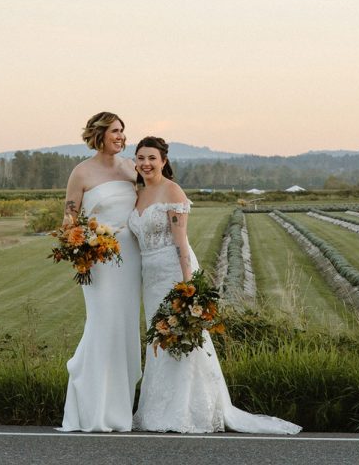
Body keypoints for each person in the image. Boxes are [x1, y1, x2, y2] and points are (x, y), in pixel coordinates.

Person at [129, 136, 301, 434]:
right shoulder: (139, 193)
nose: (145, 163)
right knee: (158, 339)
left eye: (151, 158)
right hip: (150, 276)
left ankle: (186, 410)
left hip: (174, 271)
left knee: (183, 336)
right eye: (140, 157)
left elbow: (181, 243)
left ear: (164, 161)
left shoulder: (172, 191)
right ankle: (156, 409)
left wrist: (188, 288)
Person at [58, 112, 142, 432]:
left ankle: (119, 412)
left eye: (123, 130)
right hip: (98, 261)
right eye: (115, 131)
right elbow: (69, 218)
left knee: (124, 329)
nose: (121, 136)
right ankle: (91, 407)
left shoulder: (131, 168)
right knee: (102, 325)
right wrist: (79, 248)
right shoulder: (81, 173)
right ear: (100, 134)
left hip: (130, 258)